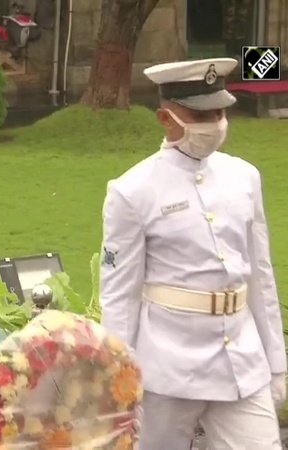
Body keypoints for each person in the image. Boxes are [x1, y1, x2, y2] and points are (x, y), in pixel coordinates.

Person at [99, 58, 286, 449]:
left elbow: (260, 277)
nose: (215, 123)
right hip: (168, 365)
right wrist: (119, 377)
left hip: (242, 359)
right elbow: (120, 293)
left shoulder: (243, 177)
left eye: (219, 112)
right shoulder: (132, 191)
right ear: (166, 118)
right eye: (200, 115)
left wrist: (277, 365)